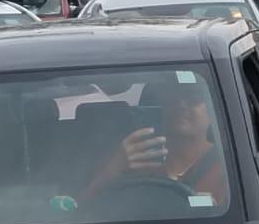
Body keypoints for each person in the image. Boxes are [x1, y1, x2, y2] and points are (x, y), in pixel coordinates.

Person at [89, 79, 229, 206]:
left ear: (213, 110)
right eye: (172, 98)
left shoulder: (228, 167)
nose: (181, 104)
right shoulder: (134, 160)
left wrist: (215, 213)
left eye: (193, 98)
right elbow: (82, 210)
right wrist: (113, 169)